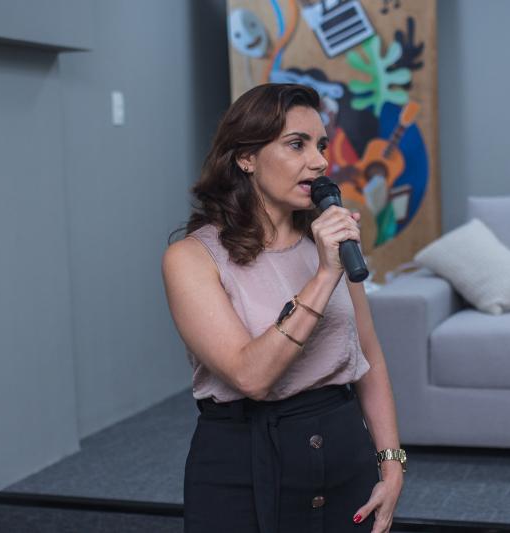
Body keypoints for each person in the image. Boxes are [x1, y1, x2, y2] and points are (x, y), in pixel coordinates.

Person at [162, 83, 405, 533]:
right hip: (243, 464)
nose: (319, 161)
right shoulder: (192, 258)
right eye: (297, 144)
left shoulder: (329, 243)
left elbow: (369, 357)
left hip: (344, 455)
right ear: (246, 158)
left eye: (321, 146)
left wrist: (391, 465)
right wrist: (324, 276)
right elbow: (250, 377)